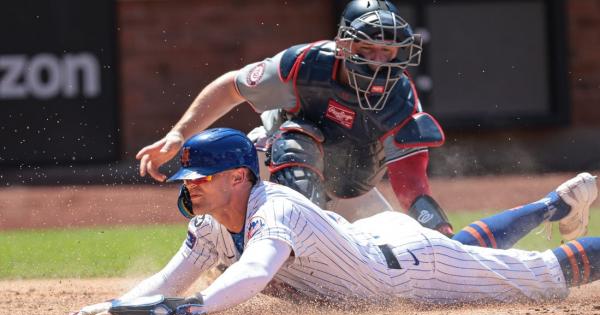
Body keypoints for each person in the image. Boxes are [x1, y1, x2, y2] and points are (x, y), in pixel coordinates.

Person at [64, 128, 599, 315]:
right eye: (189, 177)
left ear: (236, 177)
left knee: (546, 276)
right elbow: (170, 280)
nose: (191, 185)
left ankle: (556, 205)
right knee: (476, 258)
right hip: (384, 244)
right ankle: (554, 205)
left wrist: (198, 309)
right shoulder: (211, 224)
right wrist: (112, 307)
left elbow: (254, 271)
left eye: (201, 176)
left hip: (414, 272)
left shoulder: (274, 209)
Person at [135, 0, 454, 235]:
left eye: (388, 51)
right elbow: (231, 87)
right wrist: (178, 134)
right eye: (368, 48)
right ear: (343, 44)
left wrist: (440, 234)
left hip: (347, 190)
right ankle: (225, 241)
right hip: (272, 165)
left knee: (395, 251)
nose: (379, 61)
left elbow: (411, 186)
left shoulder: (401, 99)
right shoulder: (305, 66)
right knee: (295, 142)